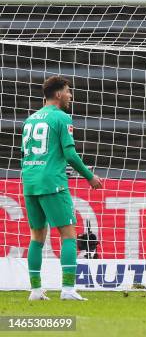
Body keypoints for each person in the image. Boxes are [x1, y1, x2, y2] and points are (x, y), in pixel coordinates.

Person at [22, 76, 103, 301]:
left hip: (29, 181)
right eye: (68, 91)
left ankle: (36, 290)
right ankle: (67, 289)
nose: (70, 95)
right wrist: (89, 176)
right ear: (58, 94)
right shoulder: (61, 118)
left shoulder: (31, 119)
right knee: (68, 234)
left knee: (37, 236)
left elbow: (26, 153)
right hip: (52, 181)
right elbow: (70, 154)